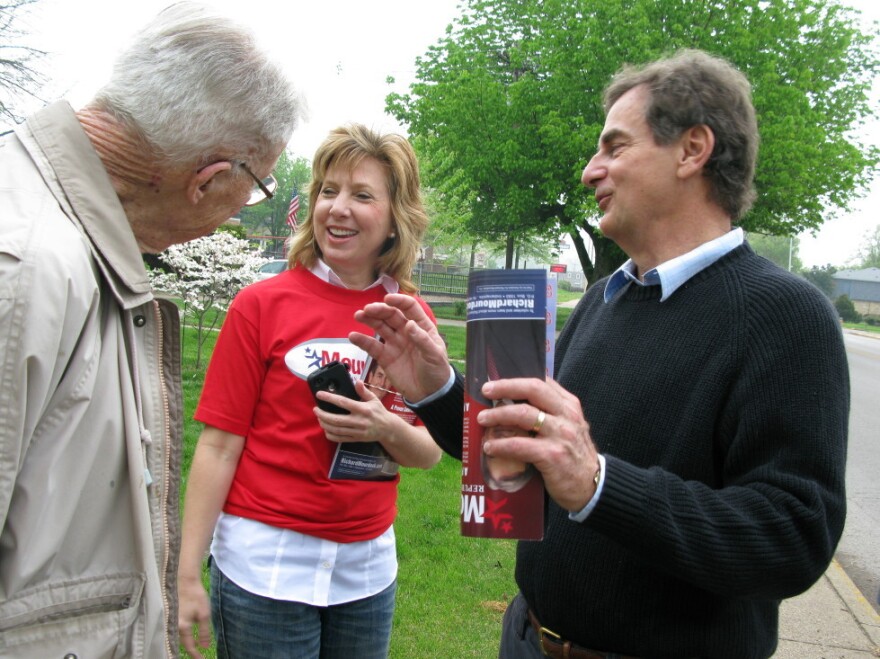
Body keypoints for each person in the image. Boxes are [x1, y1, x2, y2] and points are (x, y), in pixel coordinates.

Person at [350, 49, 849, 659]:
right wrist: (436, 388)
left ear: (692, 150)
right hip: (529, 639)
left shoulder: (784, 316)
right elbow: (531, 457)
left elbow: (791, 536)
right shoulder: (600, 302)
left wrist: (598, 484)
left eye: (615, 147)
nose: (590, 171)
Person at [0, 3, 301, 657]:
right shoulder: (24, 269)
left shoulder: (69, 243)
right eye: (256, 187)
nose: (237, 213)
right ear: (210, 178)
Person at [177, 124, 442, 659]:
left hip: (365, 574)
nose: (338, 208)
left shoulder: (410, 318)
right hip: (264, 569)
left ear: (396, 218)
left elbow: (429, 452)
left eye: (362, 195)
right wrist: (185, 574)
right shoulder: (260, 305)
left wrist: (384, 428)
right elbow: (218, 445)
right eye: (328, 190)